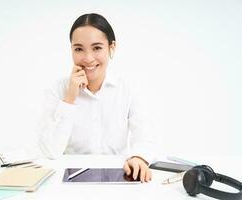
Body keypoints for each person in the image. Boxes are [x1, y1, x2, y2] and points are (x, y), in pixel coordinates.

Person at [37, 13, 155, 182]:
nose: (88, 58)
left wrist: (139, 157)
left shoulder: (127, 89)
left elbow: (145, 137)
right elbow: (50, 151)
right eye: (78, 49)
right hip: (70, 182)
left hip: (117, 178)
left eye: (97, 48)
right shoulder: (57, 89)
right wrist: (70, 98)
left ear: (111, 47)